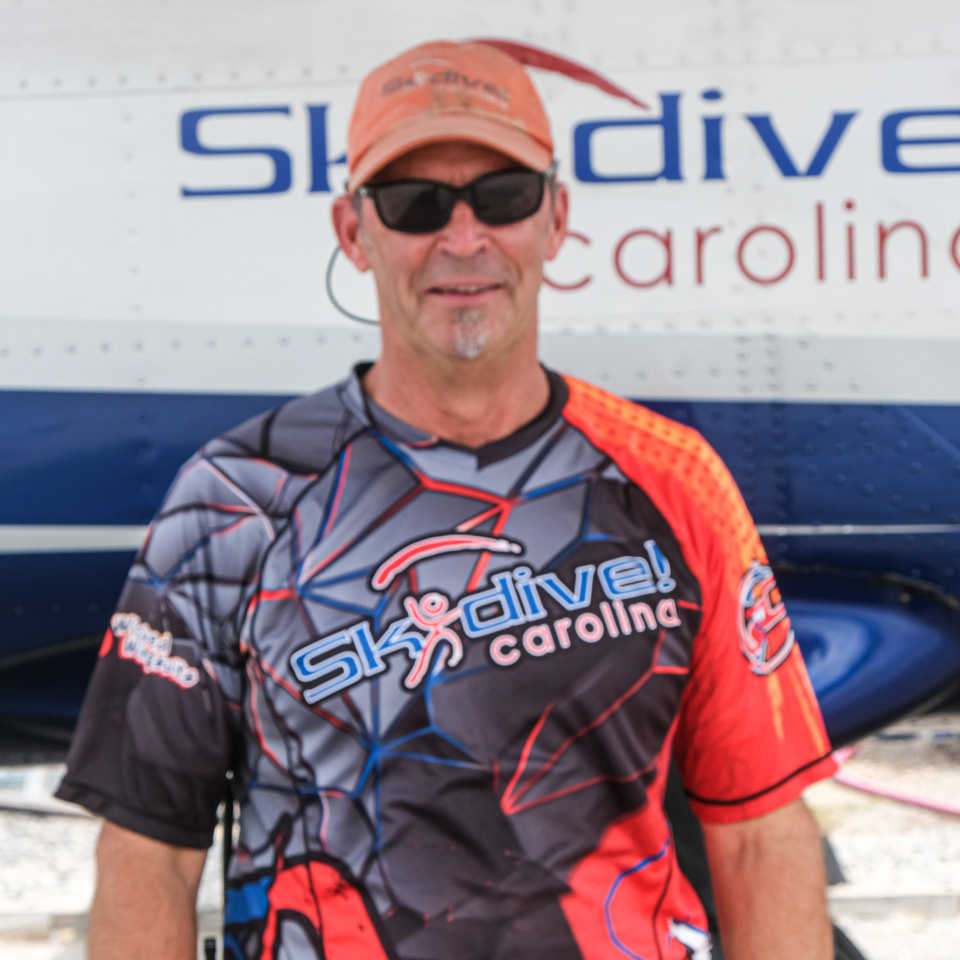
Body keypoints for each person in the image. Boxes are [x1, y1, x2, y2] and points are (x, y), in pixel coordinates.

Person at [56, 39, 837, 960]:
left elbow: (759, 833)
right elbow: (148, 853)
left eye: (501, 197)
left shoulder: (676, 480)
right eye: (417, 204)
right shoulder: (233, 502)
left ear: (555, 219)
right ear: (355, 232)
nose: (463, 239)